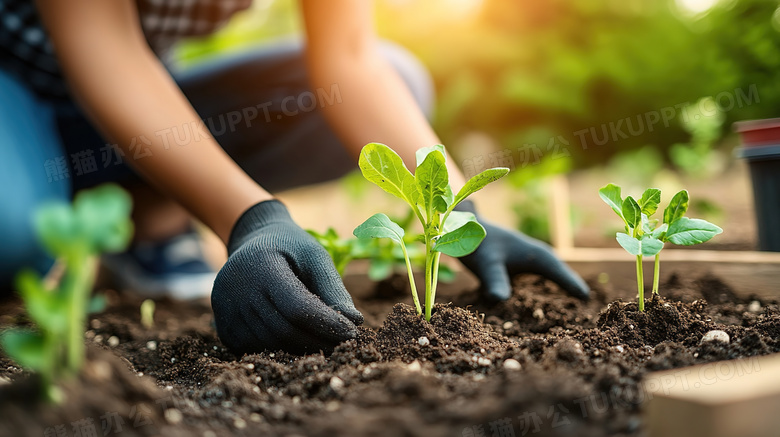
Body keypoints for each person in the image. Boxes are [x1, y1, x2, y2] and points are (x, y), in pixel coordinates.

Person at [0, 0, 589, 355]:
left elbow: (351, 58)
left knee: (398, 77)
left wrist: (461, 215)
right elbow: (102, 46)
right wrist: (252, 218)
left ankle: (146, 212)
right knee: (12, 235)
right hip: (24, 81)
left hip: (148, 99)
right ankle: (72, 201)